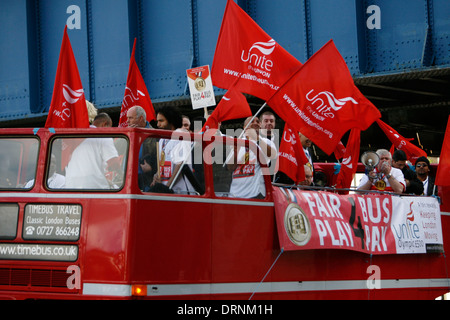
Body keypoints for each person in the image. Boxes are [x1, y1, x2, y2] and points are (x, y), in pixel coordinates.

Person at [65, 113, 122, 189]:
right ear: (104, 124)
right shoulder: (104, 135)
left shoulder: (76, 134)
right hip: (94, 188)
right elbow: (114, 163)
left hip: (70, 186)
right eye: (109, 127)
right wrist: (123, 177)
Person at [227, 116, 277, 199]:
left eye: (258, 121)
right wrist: (235, 152)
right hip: (234, 195)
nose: (255, 123)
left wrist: (257, 139)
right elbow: (230, 167)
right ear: (244, 127)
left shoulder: (265, 141)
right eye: (251, 121)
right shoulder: (238, 142)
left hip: (255, 195)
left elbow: (273, 155)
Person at [157, 106, 199, 194]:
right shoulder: (161, 140)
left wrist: (167, 187)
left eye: (161, 121)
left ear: (171, 121)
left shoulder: (181, 135)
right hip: (165, 191)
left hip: (181, 192)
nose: (158, 125)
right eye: (157, 121)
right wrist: (156, 176)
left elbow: (180, 166)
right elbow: (162, 164)